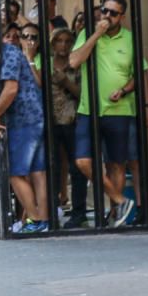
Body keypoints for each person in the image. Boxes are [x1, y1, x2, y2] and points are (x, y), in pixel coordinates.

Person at [69, 0, 145, 227]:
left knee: (116, 164)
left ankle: (116, 214)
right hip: (88, 109)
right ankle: (120, 200)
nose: (107, 16)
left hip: (119, 109)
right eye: (105, 11)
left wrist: (123, 90)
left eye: (113, 13)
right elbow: (74, 61)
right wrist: (95, 35)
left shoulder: (131, 39)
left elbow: (138, 75)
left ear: (122, 17)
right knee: (83, 161)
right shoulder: (88, 34)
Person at [0, 20, 50, 233]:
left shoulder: (8, 54)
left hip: (22, 120)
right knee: (38, 173)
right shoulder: (7, 54)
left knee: (15, 173)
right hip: (34, 117)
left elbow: (10, 89)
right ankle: (43, 221)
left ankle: (35, 221)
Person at [43, 27, 87, 228]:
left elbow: (83, 94)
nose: (63, 45)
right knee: (51, 167)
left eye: (68, 41)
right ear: (52, 44)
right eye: (59, 41)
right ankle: (51, 212)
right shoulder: (44, 65)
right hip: (50, 122)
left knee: (77, 169)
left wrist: (66, 82)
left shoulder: (76, 65)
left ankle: (79, 213)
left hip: (72, 120)